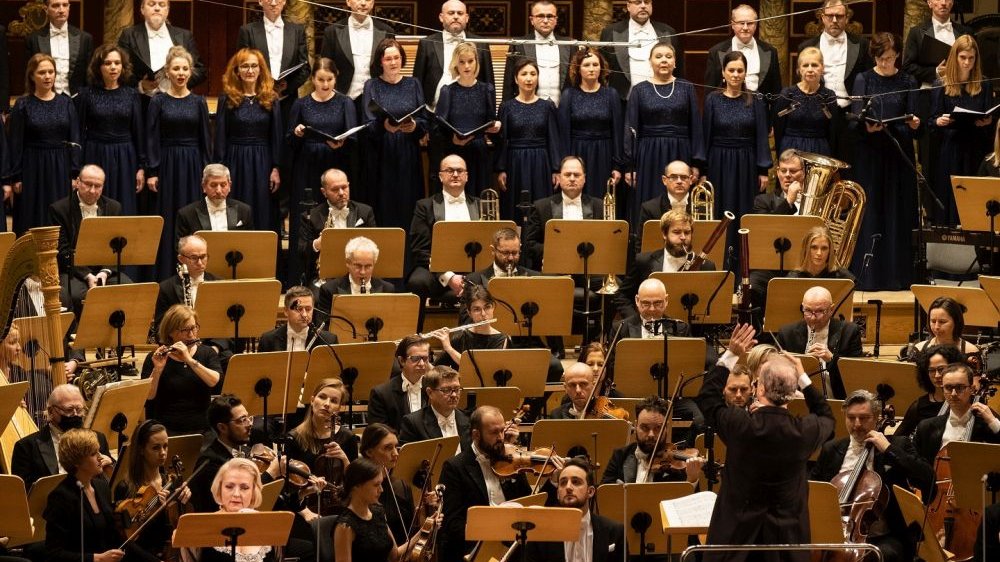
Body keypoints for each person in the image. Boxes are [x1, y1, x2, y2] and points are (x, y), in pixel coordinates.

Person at [697, 324, 834, 562]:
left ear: (758, 387)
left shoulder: (740, 425)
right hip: (785, 546)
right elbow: (827, 417)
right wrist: (803, 378)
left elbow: (708, 397)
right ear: (792, 393)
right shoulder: (804, 431)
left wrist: (730, 355)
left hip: (736, 544)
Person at [811, 390, 934, 562]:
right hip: (837, 534)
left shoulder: (898, 444)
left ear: (876, 417)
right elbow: (815, 491)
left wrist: (888, 450)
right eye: (851, 418)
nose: (857, 424)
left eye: (864, 418)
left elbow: (927, 477)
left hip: (886, 536)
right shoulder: (832, 449)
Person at [847, 32, 920, 290]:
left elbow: (914, 118)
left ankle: (897, 276)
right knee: (872, 211)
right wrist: (866, 127)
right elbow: (856, 117)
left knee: (897, 212)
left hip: (897, 153)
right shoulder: (863, 79)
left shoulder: (908, 79)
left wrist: (914, 123)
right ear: (874, 56)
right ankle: (869, 276)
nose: (887, 62)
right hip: (871, 153)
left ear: (897, 54)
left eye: (890, 57)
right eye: (882, 58)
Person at [438, 406, 540, 562]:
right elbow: (453, 524)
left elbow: (526, 501)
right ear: (476, 435)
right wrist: (490, 534)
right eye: (494, 433)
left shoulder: (510, 457)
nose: (501, 437)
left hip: (513, 545)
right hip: (474, 550)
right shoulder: (455, 467)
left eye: (502, 430)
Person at [145, 46, 211, 280]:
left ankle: (193, 273)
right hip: (167, 164)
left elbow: (205, 139)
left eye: (185, 68)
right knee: (168, 217)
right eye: (176, 68)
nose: (181, 73)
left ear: (190, 71)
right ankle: (166, 275)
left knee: (191, 216)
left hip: (192, 164)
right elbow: (151, 137)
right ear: (167, 72)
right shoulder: (158, 101)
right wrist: (152, 171)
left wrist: (206, 172)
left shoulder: (198, 102)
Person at [624, 42, 703, 226]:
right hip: (648, 155)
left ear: (675, 62)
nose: (664, 60)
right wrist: (630, 165)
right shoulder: (639, 90)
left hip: (680, 151)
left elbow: (696, 127)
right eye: (658, 56)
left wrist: (697, 163)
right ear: (650, 62)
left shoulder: (687, 87)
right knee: (650, 203)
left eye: (668, 56)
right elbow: (630, 128)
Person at [703, 50, 771, 253]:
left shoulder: (756, 99)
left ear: (745, 73)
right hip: (719, 162)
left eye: (740, 70)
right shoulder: (712, 99)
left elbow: (761, 136)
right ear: (723, 73)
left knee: (744, 211)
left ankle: (743, 268)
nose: (735, 74)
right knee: (720, 211)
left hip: (746, 163)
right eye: (731, 70)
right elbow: (705, 135)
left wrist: (763, 170)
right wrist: (703, 169)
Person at [5, 53, 80, 236]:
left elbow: (75, 139)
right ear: (32, 76)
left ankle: (59, 263)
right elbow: (15, 143)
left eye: (51, 72)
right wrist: (16, 176)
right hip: (32, 167)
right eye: (42, 73)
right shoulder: (23, 104)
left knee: (59, 217)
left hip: (59, 167)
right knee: (31, 216)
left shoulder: (66, 103)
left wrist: (74, 172)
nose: (47, 76)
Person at [215, 48, 283, 238]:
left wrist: (276, 167)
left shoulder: (271, 98)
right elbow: (221, 135)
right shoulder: (227, 99)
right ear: (237, 71)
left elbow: (276, 136)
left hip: (263, 162)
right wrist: (221, 169)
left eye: (254, 66)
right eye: (244, 66)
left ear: (261, 70)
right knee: (237, 209)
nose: (250, 70)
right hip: (235, 160)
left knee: (263, 208)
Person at [406, 154, 482, 321]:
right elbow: (420, 249)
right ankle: (415, 339)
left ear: (467, 176)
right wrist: (449, 277)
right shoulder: (424, 206)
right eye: (449, 170)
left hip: (474, 267)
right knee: (417, 282)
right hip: (436, 269)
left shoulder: (481, 205)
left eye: (459, 170)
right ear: (441, 176)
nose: (455, 174)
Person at [48, 164, 131, 315]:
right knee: (75, 296)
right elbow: (62, 250)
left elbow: (117, 247)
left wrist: (105, 272)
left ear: (103, 186)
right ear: (78, 182)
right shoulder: (60, 209)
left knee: (128, 288)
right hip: (73, 271)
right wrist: (88, 276)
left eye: (97, 186)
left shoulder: (114, 207)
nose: (92, 190)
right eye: (88, 184)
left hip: (104, 270)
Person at [362, 37, 426, 229]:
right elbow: (367, 122)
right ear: (380, 61)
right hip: (382, 152)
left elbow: (423, 119)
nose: (393, 63)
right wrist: (384, 127)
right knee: (384, 204)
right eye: (388, 59)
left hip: (408, 151)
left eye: (396, 58)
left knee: (409, 202)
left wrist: (415, 126)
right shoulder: (372, 85)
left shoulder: (413, 84)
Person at [930, 34, 994, 226]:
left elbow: (989, 115)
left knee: (975, 198)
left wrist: (988, 122)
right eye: (963, 58)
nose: (967, 63)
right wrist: (938, 121)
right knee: (953, 196)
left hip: (976, 147)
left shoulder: (984, 84)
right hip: (952, 148)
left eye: (971, 58)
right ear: (954, 57)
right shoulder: (941, 85)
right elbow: (931, 121)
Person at [75, 44, 144, 215]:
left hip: (125, 156)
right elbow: (79, 133)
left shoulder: (132, 94)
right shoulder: (86, 94)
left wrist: (141, 167)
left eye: (117, 63)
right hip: (95, 153)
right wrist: (77, 167)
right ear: (99, 67)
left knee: (123, 205)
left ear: (123, 66)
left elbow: (138, 133)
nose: (113, 67)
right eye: (107, 63)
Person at [112, 420, 193, 561]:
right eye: (156, 448)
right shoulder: (126, 487)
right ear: (141, 450)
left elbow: (183, 527)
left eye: (165, 446)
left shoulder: (171, 482)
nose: (163, 453)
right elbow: (126, 540)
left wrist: (185, 500)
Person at [42, 429, 125, 562]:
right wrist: (97, 559)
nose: (100, 457)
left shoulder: (102, 487)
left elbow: (115, 536)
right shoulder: (60, 497)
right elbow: (53, 553)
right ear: (76, 461)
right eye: (93, 454)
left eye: (99, 451)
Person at [616, 208, 715, 320]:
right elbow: (622, 296)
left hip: (691, 329)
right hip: (652, 328)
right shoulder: (644, 261)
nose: (683, 237)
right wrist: (637, 322)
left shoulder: (706, 266)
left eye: (687, 232)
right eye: (676, 232)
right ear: (664, 234)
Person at [188, 394, 279, 513]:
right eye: (242, 420)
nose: (250, 424)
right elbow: (233, 504)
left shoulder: (246, 451)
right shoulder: (210, 464)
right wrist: (270, 474)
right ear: (222, 428)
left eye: (248, 417)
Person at [11, 384, 112, 490]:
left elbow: (109, 484)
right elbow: (23, 492)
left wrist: (109, 465)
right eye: (69, 410)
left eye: (79, 409)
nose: (75, 414)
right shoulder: (26, 447)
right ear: (51, 411)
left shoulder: (98, 438)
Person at [524, 458, 626, 562]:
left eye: (576, 482)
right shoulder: (540, 537)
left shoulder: (615, 532)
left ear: (590, 491)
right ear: (558, 494)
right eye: (563, 483)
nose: (568, 487)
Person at [141, 304, 221, 435]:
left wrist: (189, 360)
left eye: (194, 328)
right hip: (166, 431)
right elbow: (149, 396)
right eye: (185, 330)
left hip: (203, 429)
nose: (191, 335)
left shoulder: (207, 353)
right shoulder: (155, 357)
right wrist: (158, 369)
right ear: (170, 332)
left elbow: (214, 381)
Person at [496, 57, 560, 219]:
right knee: (515, 206)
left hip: (541, 162)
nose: (529, 78)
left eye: (533, 74)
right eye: (524, 74)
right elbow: (502, 141)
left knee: (540, 205)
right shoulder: (507, 107)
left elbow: (553, 139)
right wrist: (501, 169)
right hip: (514, 162)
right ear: (516, 79)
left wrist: (555, 169)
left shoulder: (547, 106)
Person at [286, 377, 357, 524]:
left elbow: (355, 483)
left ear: (339, 408)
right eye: (322, 397)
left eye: (334, 401)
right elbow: (287, 490)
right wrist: (305, 512)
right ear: (312, 400)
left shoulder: (347, 438)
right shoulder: (295, 438)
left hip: (341, 506)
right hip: (304, 508)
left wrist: (344, 459)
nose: (326, 404)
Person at [334, 458, 434, 562]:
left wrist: (424, 530)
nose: (381, 489)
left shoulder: (378, 511)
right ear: (357, 485)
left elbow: (395, 555)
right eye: (376, 485)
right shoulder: (345, 527)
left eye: (381, 484)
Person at [434, 42, 500, 196]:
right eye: (462, 62)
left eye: (470, 61)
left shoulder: (486, 89)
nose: (466, 66)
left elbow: (491, 120)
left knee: (479, 195)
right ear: (456, 64)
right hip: (455, 151)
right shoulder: (448, 91)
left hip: (479, 151)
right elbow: (438, 127)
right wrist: (453, 139)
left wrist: (495, 127)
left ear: (476, 62)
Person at [558, 47, 623, 201]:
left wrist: (617, 166)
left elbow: (617, 132)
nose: (592, 69)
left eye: (595, 64)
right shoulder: (569, 95)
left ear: (602, 68)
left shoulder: (611, 94)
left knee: (601, 198)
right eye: (587, 65)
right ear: (578, 69)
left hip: (604, 153)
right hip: (577, 151)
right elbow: (564, 133)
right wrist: (565, 163)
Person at [775, 286, 863, 399]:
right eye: (807, 311)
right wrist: (805, 363)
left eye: (820, 311)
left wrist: (832, 359)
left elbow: (855, 375)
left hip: (837, 400)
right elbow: (776, 372)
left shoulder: (849, 332)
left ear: (831, 309)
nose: (812, 318)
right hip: (798, 399)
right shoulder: (787, 333)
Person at [523, 155, 603, 270]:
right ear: (559, 178)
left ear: (584, 178)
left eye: (576, 175)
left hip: (589, 269)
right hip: (554, 269)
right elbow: (530, 245)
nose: (572, 178)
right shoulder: (541, 207)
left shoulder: (599, 206)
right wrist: (557, 254)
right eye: (567, 174)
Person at [299, 168, 377, 285]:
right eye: (335, 189)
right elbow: (301, 252)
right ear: (324, 192)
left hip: (360, 273)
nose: (341, 193)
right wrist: (317, 244)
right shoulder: (311, 216)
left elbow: (375, 244)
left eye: (344, 187)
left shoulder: (365, 212)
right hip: (325, 277)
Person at [601, 396, 703, 484]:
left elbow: (686, 502)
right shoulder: (620, 456)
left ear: (666, 427)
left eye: (658, 428)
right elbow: (604, 495)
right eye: (645, 428)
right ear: (636, 426)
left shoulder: (677, 466)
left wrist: (691, 479)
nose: (651, 434)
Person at [913, 362, 1000, 466]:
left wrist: (992, 421)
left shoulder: (988, 425)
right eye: (948, 388)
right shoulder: (926, 427)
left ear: (972, 389)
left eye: (960, 388)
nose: (953, 394)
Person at [412, 0, 494, 109]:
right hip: (433, 111)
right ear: (441, 17)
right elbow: (417, 82)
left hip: (473, 110)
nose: (455, 17)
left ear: (467, 18)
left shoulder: (481, 44)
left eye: (460, 13)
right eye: (451, 13)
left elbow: (489, 81)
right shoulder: (427, 43)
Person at [191, 458, 276, 562]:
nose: (236, 494)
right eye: (229, 487)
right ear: (219, 489)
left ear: (254, 492)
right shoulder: (201, 527)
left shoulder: (266, 525)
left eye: (244, 488)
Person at [236, 0, 310, 118]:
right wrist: (264, 88)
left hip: (288, 100)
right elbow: (240, 66)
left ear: (284, 1)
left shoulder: (297, 31)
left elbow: (305, 67)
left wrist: (285, 90)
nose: (274, 3)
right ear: (260, 1)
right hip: (257, 98)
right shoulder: (247, 31)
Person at [599, 0, 684, 101]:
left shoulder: (668, 31)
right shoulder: (610, 32)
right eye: (638, 2)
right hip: (623, 102)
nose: (643, 6)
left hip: (663, 99)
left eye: (647, 2)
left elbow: (678, 69)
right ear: (628, 6)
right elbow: (603, 70)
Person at [117, 0, 206, 92]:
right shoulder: (128, 35)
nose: (157, 8)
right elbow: (121, 69)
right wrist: (140, 85)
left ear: (167, 11)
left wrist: (179, 83)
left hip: (176, 100)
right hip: (142, 101)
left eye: (162, 5)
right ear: (142, 9)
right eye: (151, 4)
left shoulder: (185, 36)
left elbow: (200, 71)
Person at [320, 0, 395, 102]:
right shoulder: (332, 32)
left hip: (378, 100)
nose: (363, 3)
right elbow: (325, 68)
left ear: (372, 3)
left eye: (368, 0)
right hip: (342, 99)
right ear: (348, 2)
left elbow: (392, 66)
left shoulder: (387, 31)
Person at [704, 5, 782, 102]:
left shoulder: (770, 51)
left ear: (756, 25)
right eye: (741, 23)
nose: (745, 27)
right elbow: (709, 90)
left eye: (749, 23)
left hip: (760, 110)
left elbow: (776, 90)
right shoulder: (716, 51)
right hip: (726, 109)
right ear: (732, 24)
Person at [773, 47, 840, 156]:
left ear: (822, 68)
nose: (810, 69)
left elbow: (833, 131)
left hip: (820, 150)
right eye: (805, 65)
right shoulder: (787, 94)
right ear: (799, 69)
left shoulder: (829, 96)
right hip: (791, 149)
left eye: (814, 65)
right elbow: (778, 128)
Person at [503, 1, 571, 104]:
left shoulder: (569, 45)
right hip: (527, 109)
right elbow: (509, 84)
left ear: (556, 20)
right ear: (532, 20)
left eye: (550, 16)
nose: (545, 20)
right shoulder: (518, 44)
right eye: (540, 16)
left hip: (563, 110)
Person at [432, 286, 510, 370]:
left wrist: (449, 349)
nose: (483, 314)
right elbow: (436, 370)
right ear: (469, 313)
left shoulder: (501, 339)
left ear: (493, 308)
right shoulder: (460, 337)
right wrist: (423, 359)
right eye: (477, 309)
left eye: (487, 307)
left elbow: (482, 369)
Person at [25, 0, 93, 95]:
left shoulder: (85, 38)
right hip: (45, 99)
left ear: (69, 8)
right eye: (56, 5)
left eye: (65, 5)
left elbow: (89, 76)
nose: (61, 10)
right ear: (46, 9)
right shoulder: (33, 39)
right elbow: (29, 75)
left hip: (77, 101)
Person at [896, 344, 964, 438]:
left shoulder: (965, 402)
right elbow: (898, 438)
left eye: (941, 369)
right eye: (931, 370)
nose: (936, 375)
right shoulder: (919, 406)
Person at [399, 366, 471, 452]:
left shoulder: (470, 420)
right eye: (446, 390)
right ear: (430, 393)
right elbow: (409, 461)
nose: (454, 395)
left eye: (457, 389)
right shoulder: (413, 423)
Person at [175, 163, 254, 241]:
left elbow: (250, 243)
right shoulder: (186, 214)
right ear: (204, 187)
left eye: (223, 185)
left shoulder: (244, 210)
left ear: (229, 186)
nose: (218, 191)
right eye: (213, 185)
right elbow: (180, 249)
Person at [368, 334, 431, 430]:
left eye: (425, 359)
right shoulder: (381, 394)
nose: (422, 364)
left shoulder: (435, 388)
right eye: (415, 359)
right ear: (402, 361)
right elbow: (379, 435)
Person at [316, 236, 395, 312]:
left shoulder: (387, 289)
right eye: (358, 266)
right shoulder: (329, 290)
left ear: (374, 263)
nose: (362, 272)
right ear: (348, 263)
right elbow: (324, 324)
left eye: (368, 266)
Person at [259, 285, 338, 351]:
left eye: (308, 309)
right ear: (286, 311)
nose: (304, 315)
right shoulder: (268, 341)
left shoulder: (328, 341)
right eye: (299, 309)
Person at [915, 296, 981, 358]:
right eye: (933, 321)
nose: (936, 327)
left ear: (956, 322)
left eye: (942, 322)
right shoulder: (919, 349)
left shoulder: (971, 351)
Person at [636, 160, 697, 225]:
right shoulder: (649, 209)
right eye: (673, 177)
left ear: (690, 180)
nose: (679, 181)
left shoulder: (704, 208)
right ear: (664, 180)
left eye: (684, 177)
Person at [788, 225, 856, 281]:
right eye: (814, 247)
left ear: (830, 250)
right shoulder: (793, 278)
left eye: (824, 248)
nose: (819, 253)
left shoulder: (843, 278)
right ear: (806, 249)